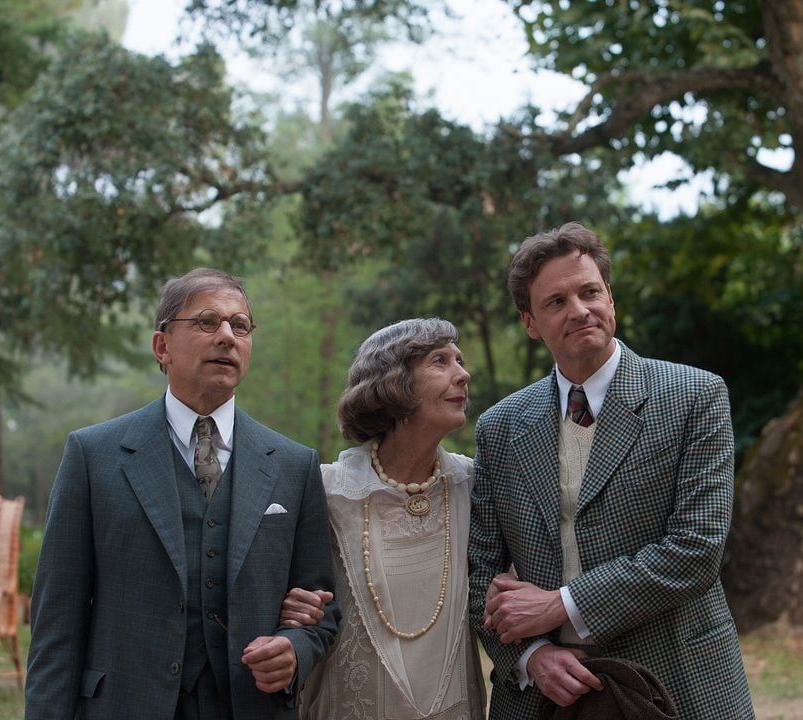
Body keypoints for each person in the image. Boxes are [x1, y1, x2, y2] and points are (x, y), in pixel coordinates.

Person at [25, 268, 340, 720]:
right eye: (208, 321)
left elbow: (321, 609)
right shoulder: (92, 456)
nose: (227, 336)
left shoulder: (295, 465)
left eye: (241, 326)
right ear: (162, 346)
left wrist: (295, 649)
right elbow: (57, 621)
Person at [468, 223, 755, 720]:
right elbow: (481, 579)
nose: (579, 310)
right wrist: (532, 656)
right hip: (546, 698)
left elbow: (696, 549)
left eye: (589, 292)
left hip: (676, 683)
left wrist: (561, 605)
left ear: (611, 300)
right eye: (556, 302)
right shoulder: (500, 427)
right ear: (530, 323)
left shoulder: (694, 397)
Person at [280, 318, 487, 720]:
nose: (463, 375)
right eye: (440, 361)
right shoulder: (327, 491)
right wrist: (288, 606)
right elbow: (286, 597)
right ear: (394, 382)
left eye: (460, 361)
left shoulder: (472, 484)